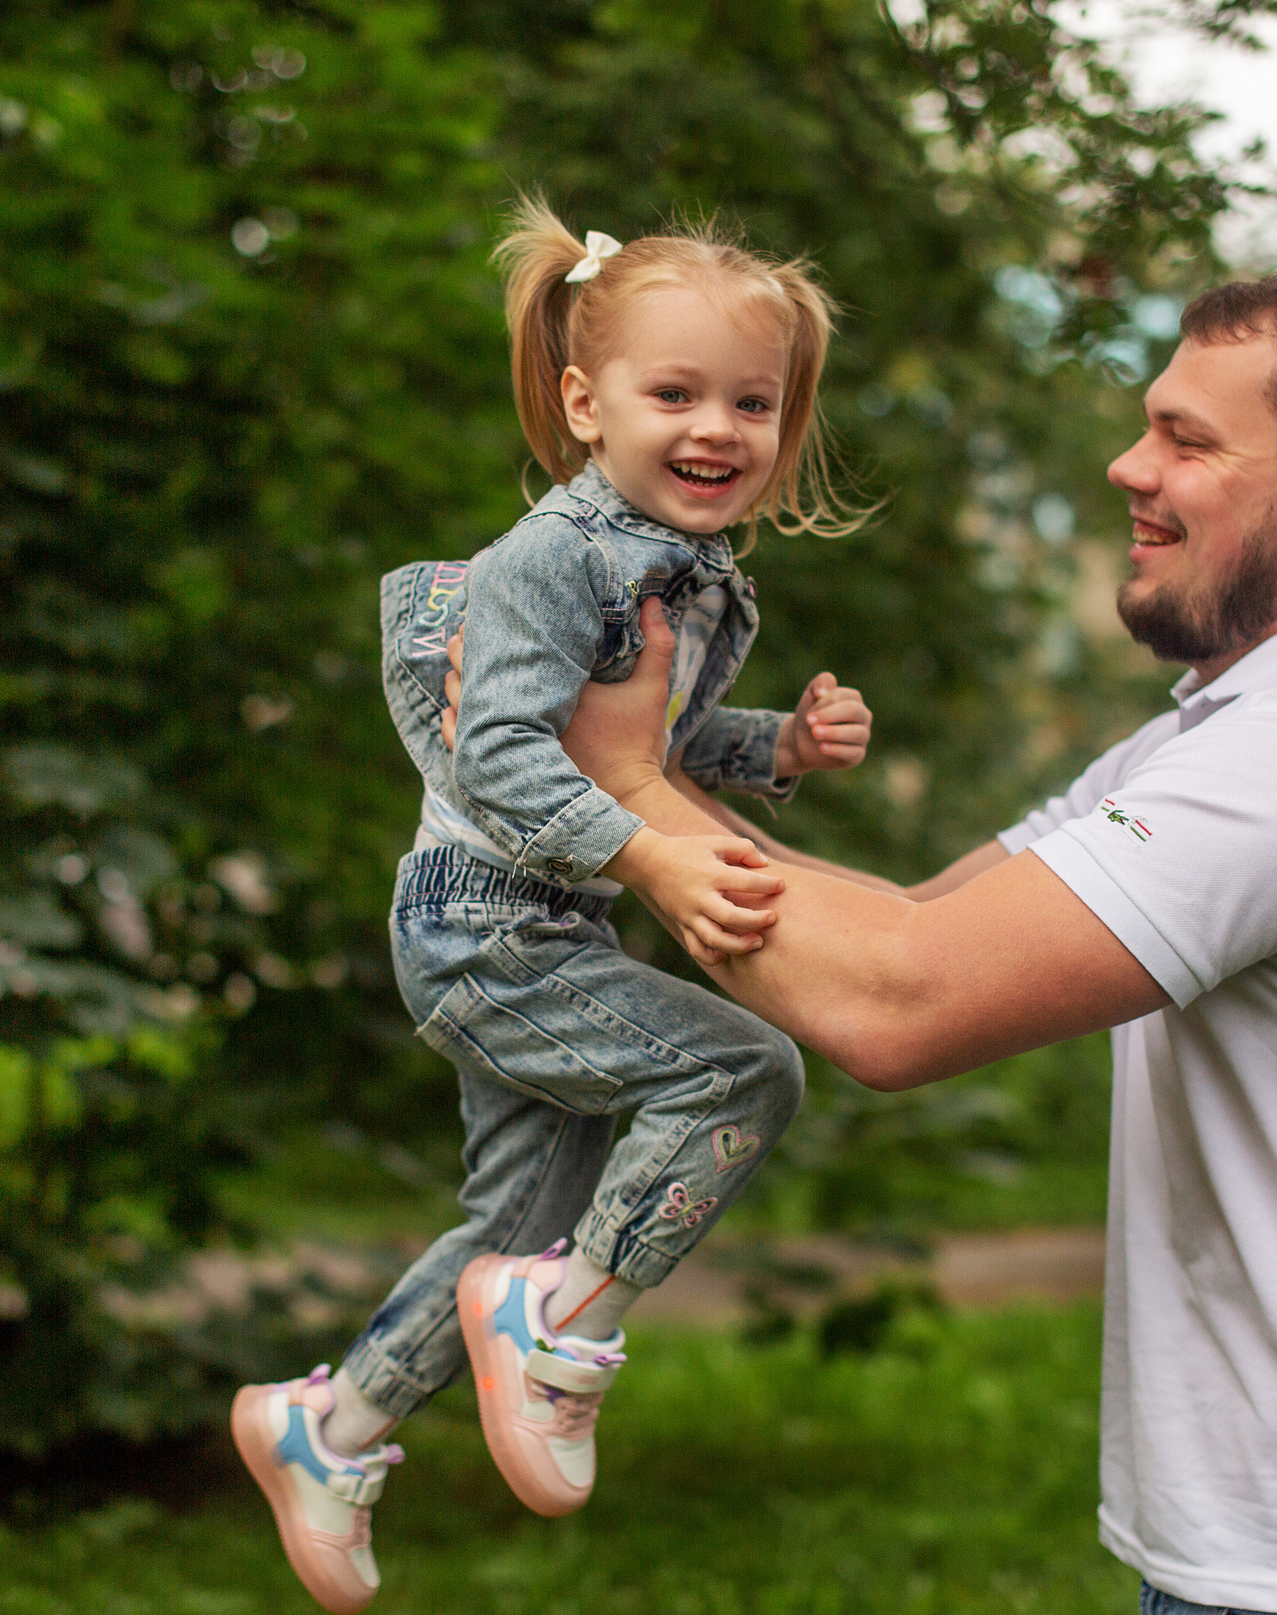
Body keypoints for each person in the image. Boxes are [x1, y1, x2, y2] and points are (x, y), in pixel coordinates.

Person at [498, 273, 1277, 1614]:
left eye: (1189, 443)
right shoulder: (1215, 741)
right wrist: (633, 788)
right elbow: (911, 928)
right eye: (1150, 424)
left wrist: (619, 789)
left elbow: (895, 1005)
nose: (1127, 465)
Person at [231, 200, 875, 1614]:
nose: (718, 427)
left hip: (544, 933)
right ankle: (566, 1322)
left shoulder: (686, 576)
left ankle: (325, 1430)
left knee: (511, 1223)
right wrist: (648, 860)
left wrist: (775, 747)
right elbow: (505, 752)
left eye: (753, 403)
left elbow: (633, 740)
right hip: (484, 931)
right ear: (586, 403)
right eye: (676, 392)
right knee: (741, 1070)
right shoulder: (553, 560)